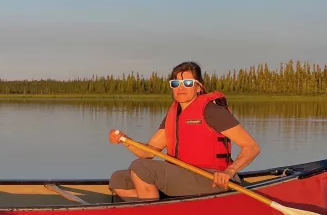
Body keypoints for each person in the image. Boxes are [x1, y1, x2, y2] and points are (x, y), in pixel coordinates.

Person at [108, 61, 260, 201]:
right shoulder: (173, 115)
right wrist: (125, 140)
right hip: (182, 177)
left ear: (198, 87)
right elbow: (148, 152)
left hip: (211, 179)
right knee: (119, 180)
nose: (180, 88)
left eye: (188, 83)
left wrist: (229, 171)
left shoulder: (211, 111)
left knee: (140, 167)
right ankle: (163, 207)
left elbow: (251, 147)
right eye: (176, 83)